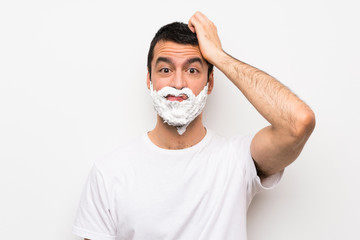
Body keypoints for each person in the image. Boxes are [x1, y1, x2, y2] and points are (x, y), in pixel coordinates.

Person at [72, 11, 315, 240]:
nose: (178, 83)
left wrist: (218, 56)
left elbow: (298, 123)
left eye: (192, 70)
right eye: (165, 69)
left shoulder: (237, 161)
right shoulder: (109, 174)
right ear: (149, 80)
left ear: (210, 83)